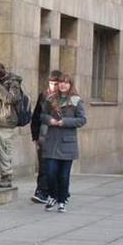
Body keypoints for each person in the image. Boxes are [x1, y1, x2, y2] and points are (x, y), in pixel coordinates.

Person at [40, 73, 86, 213]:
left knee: (64, 175)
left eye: (66, 83)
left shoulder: (76, 100)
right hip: (52, 141)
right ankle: (53, 196)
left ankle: (62, 200)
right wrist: (50, 120)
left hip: (67, 143)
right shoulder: (50, 99)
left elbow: (82, 119)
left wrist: (64, 122)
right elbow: (42, 115)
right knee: (50, 173)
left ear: (70, 84)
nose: (63, 85)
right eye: (60, 82)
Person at [30, 70, 61, 204]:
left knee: (56, 166)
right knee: (44, 165)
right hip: (44, 135)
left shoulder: (66, 98)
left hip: (58, 136)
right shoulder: (43, 95)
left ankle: (56, 191)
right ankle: (41, 191)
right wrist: (35, 137)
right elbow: (36, 116)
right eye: (51, 83)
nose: (53, 86)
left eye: (56, 83)